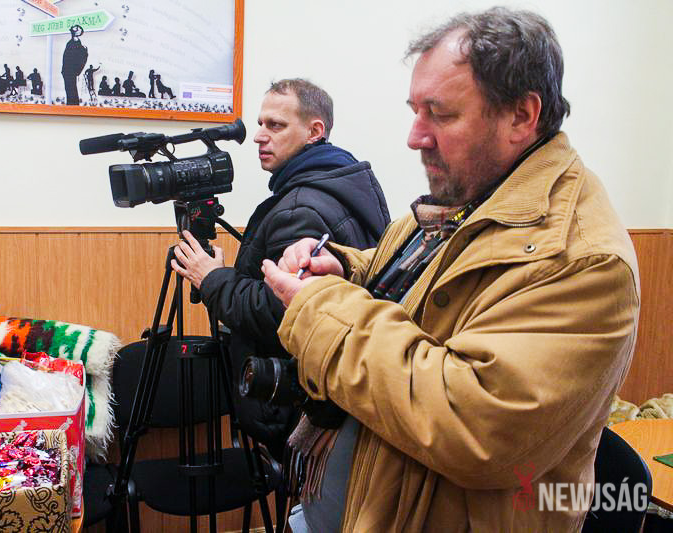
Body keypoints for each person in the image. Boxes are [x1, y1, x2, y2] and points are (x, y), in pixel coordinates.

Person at [262, 8, 640, 532]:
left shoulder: (583, 261)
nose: (415, 136)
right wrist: (345, 268)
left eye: (439, 114)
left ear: (521, 116)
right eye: (415, 111)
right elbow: (427, 285)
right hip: (352, 507)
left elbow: (472, 424)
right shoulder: (476, 192)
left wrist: (320, 306)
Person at [170, 78, 391, 462]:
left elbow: (283, 311)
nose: (259, 136)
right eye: (260, 124)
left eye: (275, 125)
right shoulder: (345, 181)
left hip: (295, 404)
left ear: (315, 131)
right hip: (337, 394)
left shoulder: (300, 208)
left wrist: (211, 278)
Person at [61, 25, 88, 105]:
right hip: (68, 71)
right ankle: (71, 104)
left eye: (78, 29)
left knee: (72, 88)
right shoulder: (70, 43)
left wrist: (84, 51)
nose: (78, 30)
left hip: (72, 71)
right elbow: (66, 58)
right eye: (76, 29)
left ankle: (74, 105)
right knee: (70, 88)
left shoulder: (78, 43)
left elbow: (80, 57)